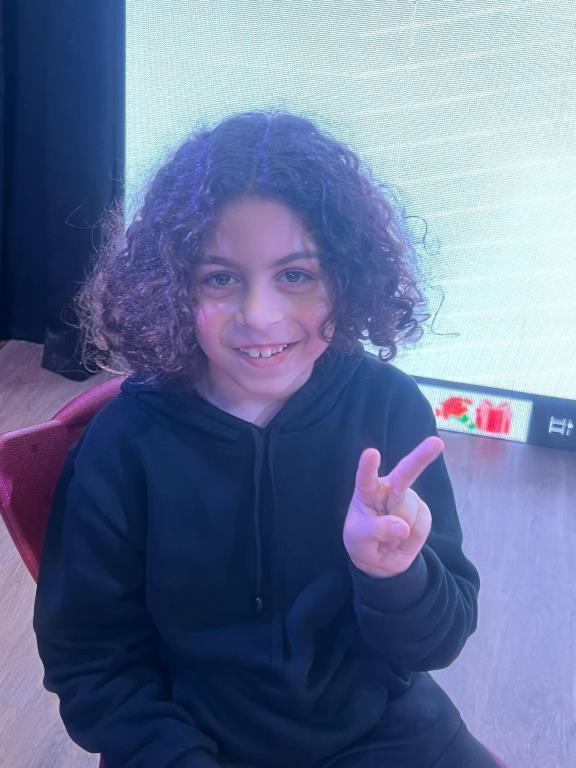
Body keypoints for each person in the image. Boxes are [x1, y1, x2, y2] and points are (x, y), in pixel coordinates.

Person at [33, 111, 501, 768]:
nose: (259, 315)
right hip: (195, 746)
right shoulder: (125, 445)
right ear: (172, 287)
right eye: (220, 278)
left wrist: (394, 574)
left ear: (345, 277)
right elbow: (92, 663)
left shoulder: (388, 408)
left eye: (295, 275)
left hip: (384, 730)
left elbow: (437, 642)